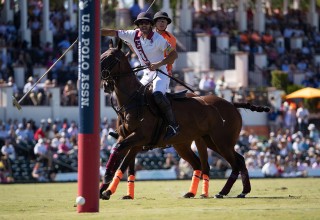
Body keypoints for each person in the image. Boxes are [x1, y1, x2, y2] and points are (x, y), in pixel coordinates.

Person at [101, 12, 179, 140]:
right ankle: (122, 126)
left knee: (157, 95)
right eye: (141, 23)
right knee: (132, 97)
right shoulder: (133, 35)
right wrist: (92, 31)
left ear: (150, 25)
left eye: (146, 23)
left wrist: (159, 63)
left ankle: (173, 125)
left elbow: (174, 55)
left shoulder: (159, 39)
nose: (143, 25)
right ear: (138, 25)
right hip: (147, 73)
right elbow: (112, 32)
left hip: (161, 73)